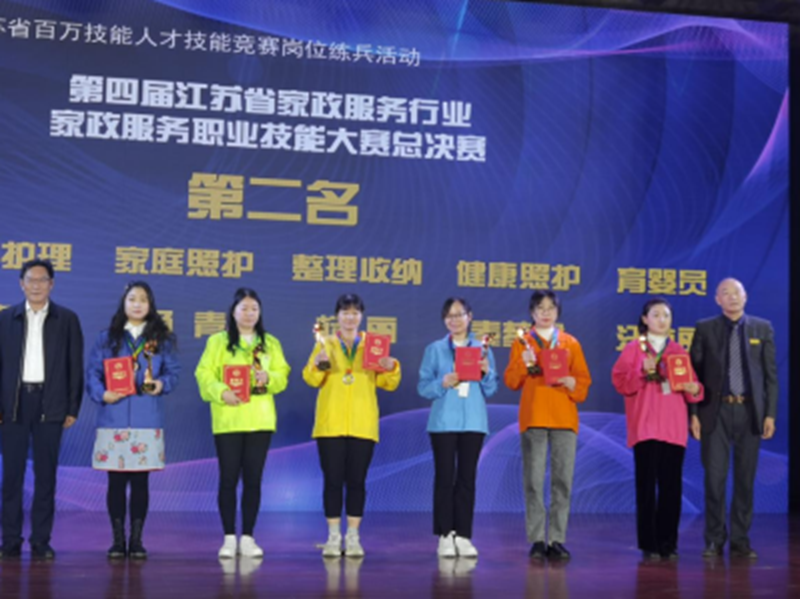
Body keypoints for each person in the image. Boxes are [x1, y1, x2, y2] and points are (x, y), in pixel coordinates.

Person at [85, 281, 180, 559]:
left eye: (143, 299)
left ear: (151, 305)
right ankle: (118, 541)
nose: (137, 304)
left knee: (140, 483)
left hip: (146, 420)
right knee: (115, 483)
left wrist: (160, 385)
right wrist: (103, 393)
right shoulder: (107, 338)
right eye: (132, 299)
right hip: (113, 419)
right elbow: (92, 373)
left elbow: (173, 372)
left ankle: (137, 541)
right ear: (123, 303)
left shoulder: (161, 339)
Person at [302, 293, 401, 558]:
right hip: (330, 424)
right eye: (345, 312)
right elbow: (311, 379)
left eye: (355, 312)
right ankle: (333, 536)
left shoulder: (373, 345)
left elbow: (388, 383)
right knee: (332, 482)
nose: (350, 317)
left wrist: (391, 367)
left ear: (361, 316)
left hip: (362, 423)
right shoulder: (325, 343)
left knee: (357, 482)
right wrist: (317, 365)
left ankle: (354, 537)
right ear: (337, 316)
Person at [195, 288, 290, 559]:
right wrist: (221, 391)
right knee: (227, 479)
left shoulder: (270, 343)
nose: (249, 314)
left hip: (260, 421)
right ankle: (228, 538)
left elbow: (282, 375)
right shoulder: (218, 342)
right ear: (233, 311)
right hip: (228, 420)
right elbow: (203, 373)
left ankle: (248, 537)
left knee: (253, 480)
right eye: (244, 308)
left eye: (254, 309)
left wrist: (269, 378)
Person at [0, 259, 84, 560]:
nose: (36, 285)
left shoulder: (67, 319)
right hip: (13, 404)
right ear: (21, 284)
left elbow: (75, 366)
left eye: (42, 280)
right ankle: (10, 539)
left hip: (51, 404)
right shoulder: (5, 319)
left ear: (52, 284)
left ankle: (40, 540)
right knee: (12, 476)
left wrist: (72, 407)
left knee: (46, 476)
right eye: (30, 280)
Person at [689, 278, 778, 559]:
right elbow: (693, 377)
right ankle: (714, 539)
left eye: (736, 292)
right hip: (714, 412)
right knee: (714, 480)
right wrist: (694, 414)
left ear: (745, 296)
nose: (732, 297)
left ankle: (740, 539)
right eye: (725, 293)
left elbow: (770, 377)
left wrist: (770, 414)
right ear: (717, 299)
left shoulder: (762, 328)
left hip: (750, 412)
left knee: (745, 479)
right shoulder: (705, 328)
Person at [612, 298, 703, 560]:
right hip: (645, 427)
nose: (662, 320)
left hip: (673, 428)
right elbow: (621, 383)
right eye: (656, 315)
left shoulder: (678, 351)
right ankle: (649, 545)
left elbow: (694, 389)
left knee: (671, 488)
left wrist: (695, 389)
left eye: (666, 315)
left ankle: (668, 543)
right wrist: (642, 372)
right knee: (646, 488)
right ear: (645, 319)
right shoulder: (634, 349)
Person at [503, 290, 591, 560]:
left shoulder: (570, 343)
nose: (545, 312)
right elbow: (511, 381)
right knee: (533, 480)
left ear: (558, 312)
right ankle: (537, 539)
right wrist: (523, 364)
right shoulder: (523, 342)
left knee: (562, 481)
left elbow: (583, 382)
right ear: (532, 312)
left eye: (551, 308)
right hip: (534, 417)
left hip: (564, 418)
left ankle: (557, 539)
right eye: (540, 308)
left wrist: (572, 383)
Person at [417, 298, 498, 558]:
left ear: (469, 316)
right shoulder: (435, 349)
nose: (454, 320)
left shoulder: (482, 349)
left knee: (466, 479)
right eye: (449, 316)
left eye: (459, 314)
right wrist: (442, 383)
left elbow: (491, 389)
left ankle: (463, 535)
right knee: (444, 478)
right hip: (443, 422)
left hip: (473, 421)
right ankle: (445, 534)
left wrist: (486, 373)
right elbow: (423, 387)